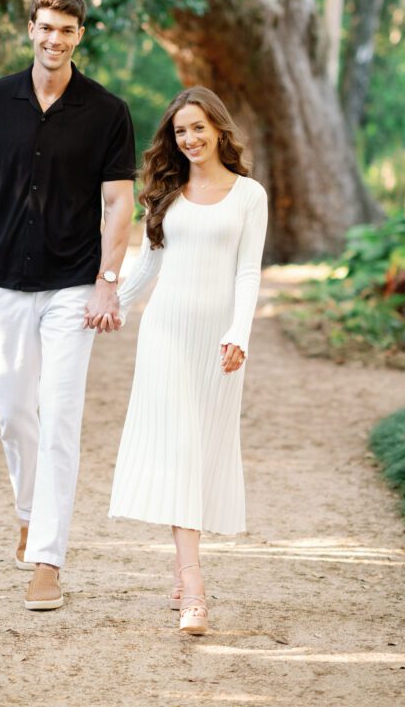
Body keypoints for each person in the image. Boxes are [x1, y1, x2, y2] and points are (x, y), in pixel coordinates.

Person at [0, 0, 135, 611]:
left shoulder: (107, 111)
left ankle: (48, 560)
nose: (53, 39)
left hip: (73, 285)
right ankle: (29, 513)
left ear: (80, 35)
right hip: (2, 282)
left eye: (66, 29)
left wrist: (109, 281)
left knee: (59, 415)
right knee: (9, 403)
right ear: (29, 27)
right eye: (45, 27)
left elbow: (118, 202)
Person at [109, 86, 268, 635]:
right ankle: (195, 590)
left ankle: (182, 572)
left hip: (220, 342)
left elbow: (249, 272)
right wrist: (112, 305)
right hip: (167, 335)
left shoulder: (249, 195)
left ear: (219, 129)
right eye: (180, 131)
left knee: (201, 452)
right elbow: (148, 267)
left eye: (198, 127)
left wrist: (239, 332)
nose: (190, 138)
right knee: (179, 448)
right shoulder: (167, 194)